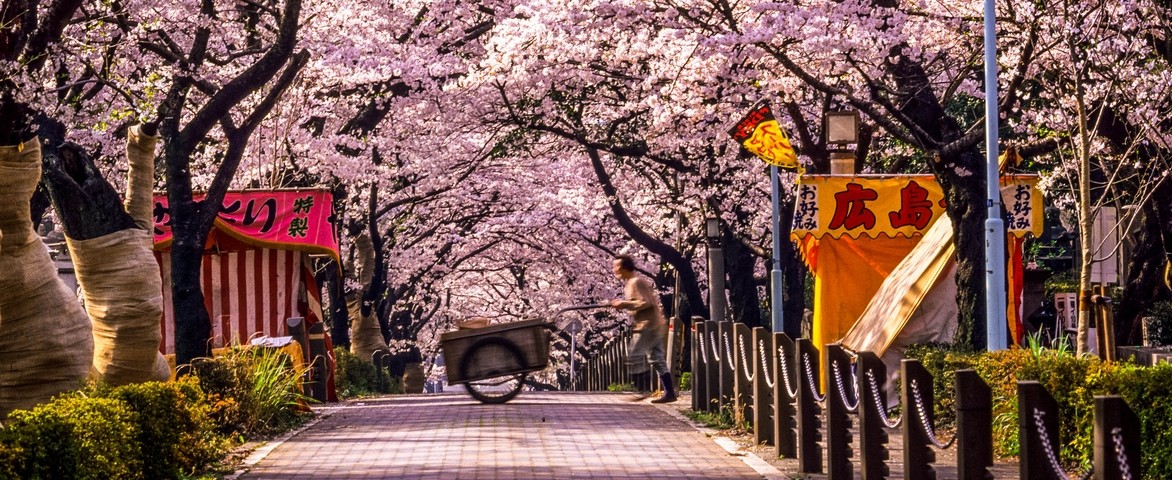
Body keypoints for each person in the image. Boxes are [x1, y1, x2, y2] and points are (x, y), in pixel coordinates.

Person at [609, 254, 676, 403]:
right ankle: (670, 392)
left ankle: (643, 390)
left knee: (634, 355)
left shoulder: (635, 282)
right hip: (653, 324)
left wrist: (624, 304)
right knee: (657, 359)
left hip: (648, 325)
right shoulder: (630, 283)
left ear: (625, 268)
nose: (614, 270)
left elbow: (646, 302)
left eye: (617, 267)